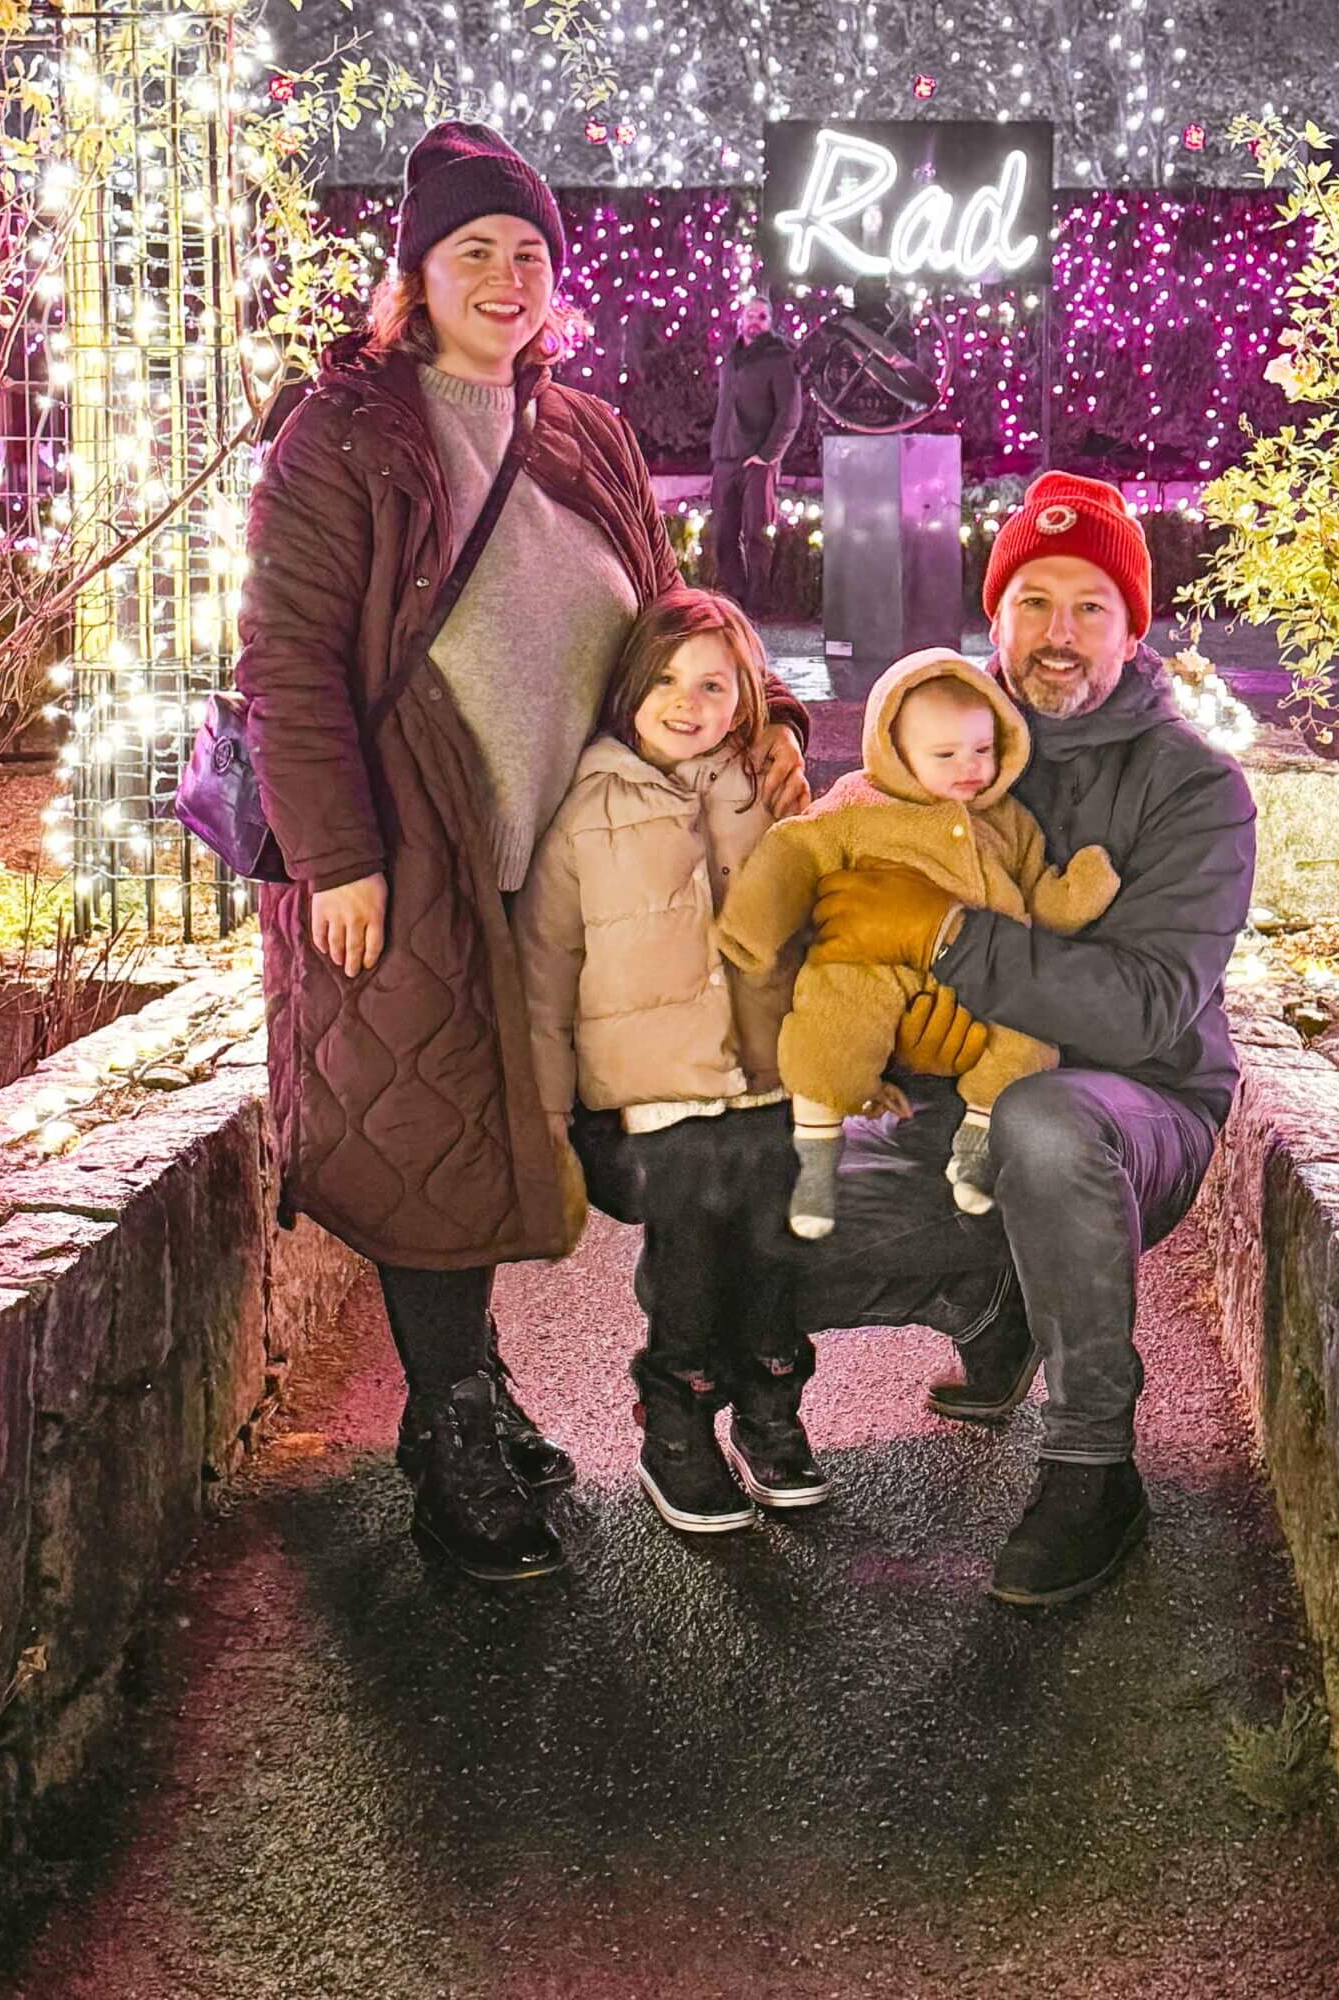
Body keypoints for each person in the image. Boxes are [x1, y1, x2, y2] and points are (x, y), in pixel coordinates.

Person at [236, 120, 810, 1588]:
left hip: (572, 849)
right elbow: (288, 656)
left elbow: (672, 615)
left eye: (530, 253)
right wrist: (336, 854)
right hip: (412, 840)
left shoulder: (584, 429)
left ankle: (497, 1380)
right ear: (415, 274)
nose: (506, 277)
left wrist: (761, 717)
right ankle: (453, 1430)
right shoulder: (346, 431)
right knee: (428, 1134)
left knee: (525, 1131)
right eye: (474, 250)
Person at [787, 473, 1258, 1610]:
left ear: (1133, 626)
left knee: (1047, 1129)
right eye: (1032, 601)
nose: (1058, 633)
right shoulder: (925, 751)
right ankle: (994, 1303)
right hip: (954, 1116)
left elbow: (1146, 1009)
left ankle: (1094, 1462)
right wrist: (897, 1038)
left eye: (1089, 605)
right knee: (737, 1227)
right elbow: (839, 937)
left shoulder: (1193, 786)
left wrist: (949, 937)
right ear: (992, 617)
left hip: (1128, 1115)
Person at [518, 589, 828, 1534]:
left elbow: (813, 924)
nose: (686, 702)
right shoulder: (586, 810)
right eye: (663, 681)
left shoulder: (762, 793)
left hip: (769, 1076)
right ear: (627, 690)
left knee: (781, 1239)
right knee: (693, 1239)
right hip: (652, 1101)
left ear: (747, 695)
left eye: (712, 683)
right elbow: (543, 976)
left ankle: (771, 1407)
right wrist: (549, 1128)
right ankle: (678, 1415)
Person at [718, 649, 1117, 1239]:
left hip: (985, 968)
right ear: (897, 753)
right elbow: (793, 850)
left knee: (1028, 1040)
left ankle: (978, 1147)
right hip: (872, 957)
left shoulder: (1007, 819)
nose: (970, 768)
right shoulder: (857, 805)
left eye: (983, 750)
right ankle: (816, 1165)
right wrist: (753, 928)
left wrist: (1076, 893)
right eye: (945, 755)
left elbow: (1036, 889)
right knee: (831, 1026)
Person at [709, 295, 802, 613]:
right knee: (723, 530)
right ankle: (731, 598)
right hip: (725, 456)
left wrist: (767, 455)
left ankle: (758, 603)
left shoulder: (780, 358)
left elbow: (790, 413)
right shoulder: (731, 357)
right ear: (741, 319)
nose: (755, 321)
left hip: (758, 461)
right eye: (750, 315)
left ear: (770, 322)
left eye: (761, 317)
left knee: (756, 534)